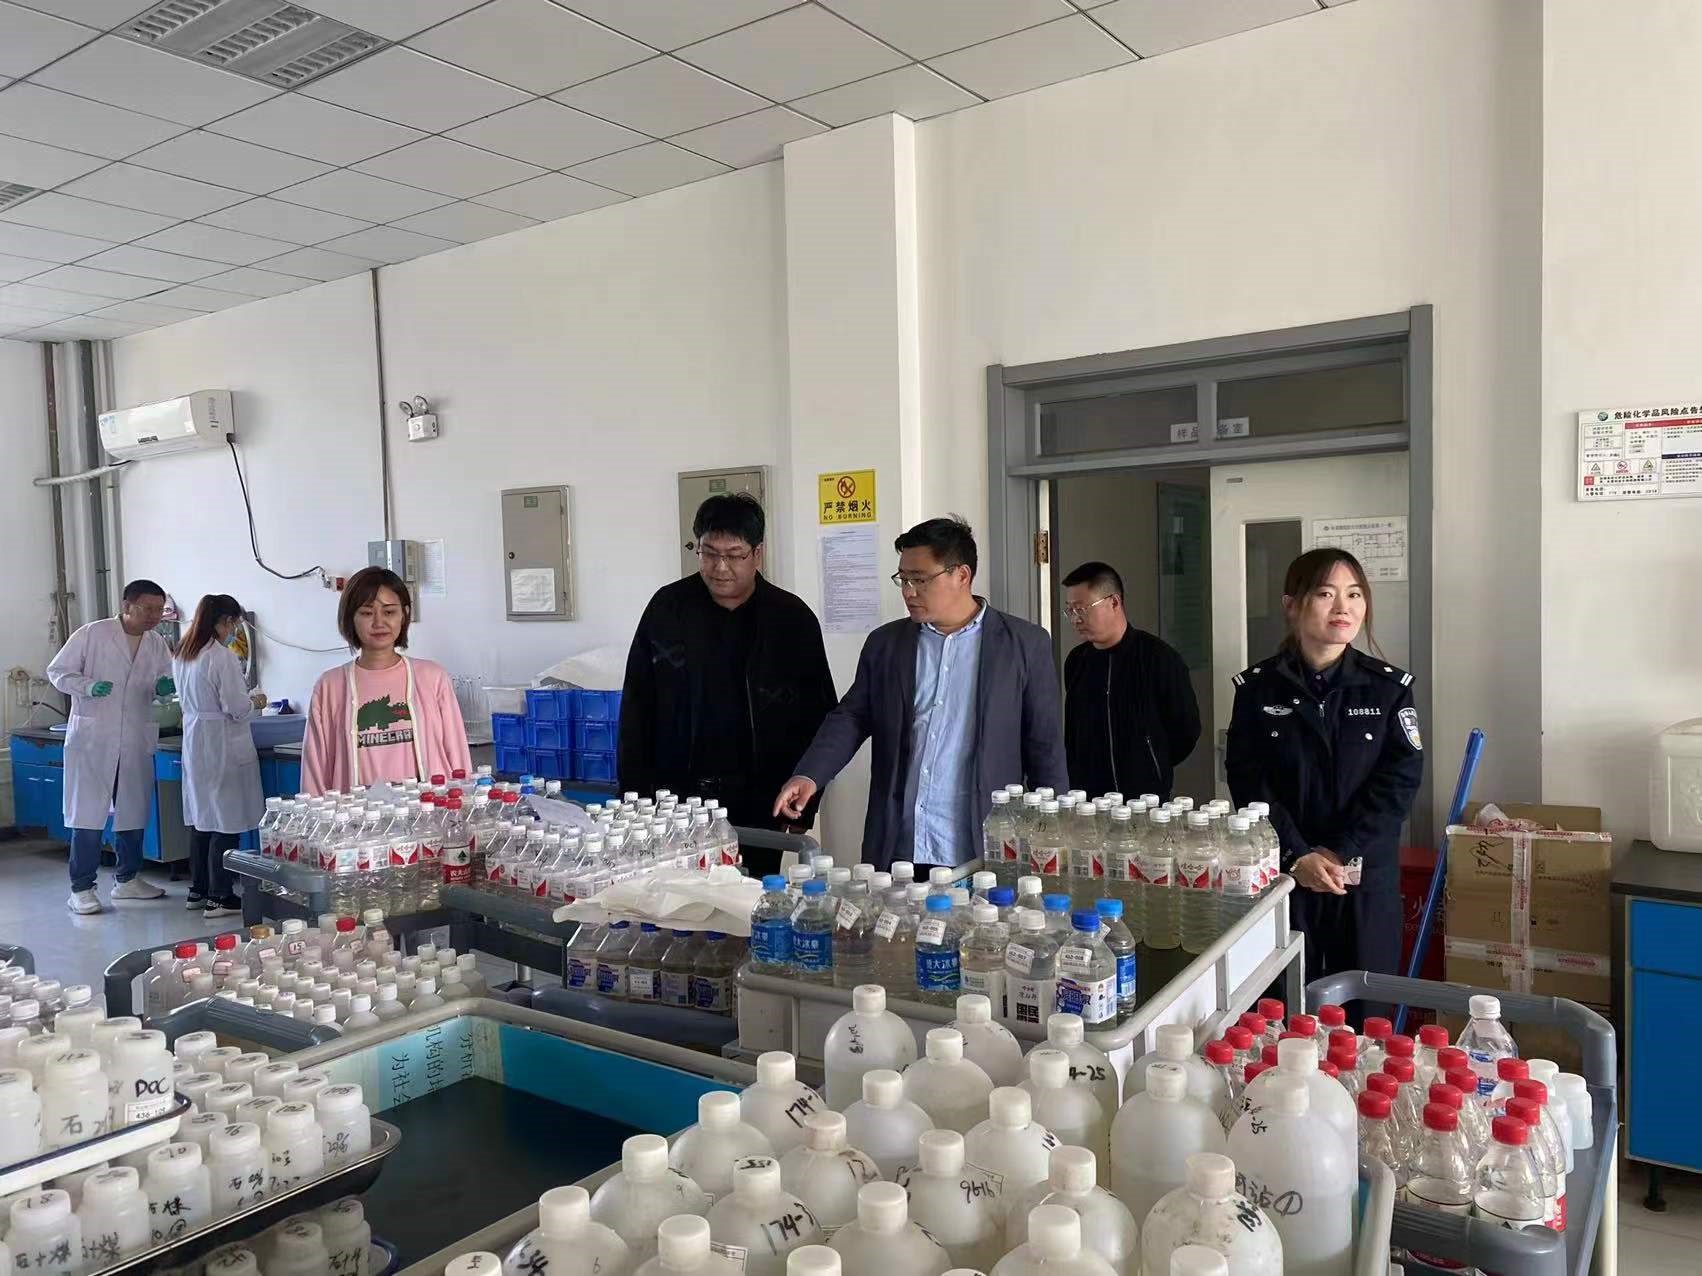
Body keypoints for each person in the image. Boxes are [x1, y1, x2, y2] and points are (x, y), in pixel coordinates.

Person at [774, 516, 1068, 870]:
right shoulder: (886, 644)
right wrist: (810, 774)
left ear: (962, 575)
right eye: (903, 579)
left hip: (981, 850)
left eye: (920, 579)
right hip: (899, 849)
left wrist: (1052, 838)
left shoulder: (1024, 645)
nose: (908, 591)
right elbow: (852, 716)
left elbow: (1044, 747)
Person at [1225, 548, 1423, 986]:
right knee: (1285, 1004)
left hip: (1364, 879)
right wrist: (1298, 855)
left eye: (1354, 594)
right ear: (1292, 604)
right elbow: (1249, 781)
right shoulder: (1257, 690)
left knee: (1367, 1005)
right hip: (1286, 876)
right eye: (1326, 594)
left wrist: (1337, 851)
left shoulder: (1387, 689)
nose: (1343, 607)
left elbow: (1400, 782)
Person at [620, 493, 836, 845]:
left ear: (757, 553)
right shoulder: (667, 609)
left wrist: (805, 806)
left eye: (734, 555)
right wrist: (633, 798)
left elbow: (818, 716)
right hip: (675, 799)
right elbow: (636, 707)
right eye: (709, 553)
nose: (720, 568)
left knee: (753, 880)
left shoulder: (791, 619)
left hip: (761, 797)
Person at [46, 578, 174, 914]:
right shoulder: (92, 634)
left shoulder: (156, 642)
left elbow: (163, 680)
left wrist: (163, 688)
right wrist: (88, 687)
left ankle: (127, 880)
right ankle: (81, 888)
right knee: (88, 814)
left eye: (159, 609)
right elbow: (58, 672)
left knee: (133, 810)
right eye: (148, 608)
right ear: (127, 605)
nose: (155, 615)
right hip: (94, 738)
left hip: (134, 737)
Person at [302, 567, 472, 793]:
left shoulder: (432, 677)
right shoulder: (330, 686)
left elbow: (458, 758)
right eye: (367, 613)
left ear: (404, 614)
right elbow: (314, 772)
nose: (379, 622)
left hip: (429, 810)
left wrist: (464, 802)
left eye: (389, 612)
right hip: (354, 813)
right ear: (350, 618)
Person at [1060, 560, 1201, 800]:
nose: (1075, 619)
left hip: (1145, 801)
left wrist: (1151, 761)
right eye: (1070, 611)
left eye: (1082, 609)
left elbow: (1186, 730)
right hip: (1089, 802)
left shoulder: (1158, 658)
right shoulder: (1077, 661)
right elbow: (1073, 733)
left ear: (1114, 602)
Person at [173, 594, 268, 919]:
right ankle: (220, 896)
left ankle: (198, 891)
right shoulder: (221, 656)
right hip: (222, 743)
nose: (235, 631)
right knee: (224, 821)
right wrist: (257, 701)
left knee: (202, 819)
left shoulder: (184, 653)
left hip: (196, 739)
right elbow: (237, 708)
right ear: (224, 621)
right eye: (234, 624)